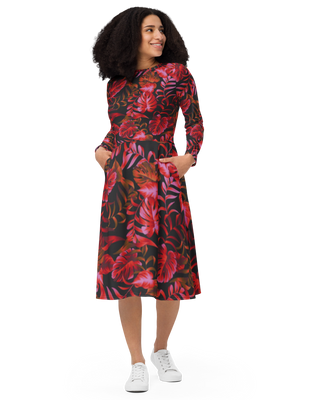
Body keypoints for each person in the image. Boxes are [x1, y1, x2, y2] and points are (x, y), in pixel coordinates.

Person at [87, 3, 207, 393]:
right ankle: (136, 361)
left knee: (171, 267)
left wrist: (191, 156)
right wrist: (99, 150)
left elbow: (196, 123)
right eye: (149, 30)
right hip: (121, 185)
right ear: (131, 36)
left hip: (163, 183)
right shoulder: (116, 83)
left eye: (161, 30)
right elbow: (116, 128)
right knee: (126, 271)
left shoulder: (179, 75)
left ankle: (162, 349)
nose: (159, 36)